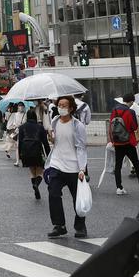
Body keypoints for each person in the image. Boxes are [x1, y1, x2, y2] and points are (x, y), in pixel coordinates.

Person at [46, 96, 89, 239]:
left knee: (78, 198)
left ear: (71, 108)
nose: (61, 107)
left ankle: (80, 226)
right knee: (53, 193)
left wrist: (82, 168)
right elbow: (55, 142)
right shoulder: (55, 121)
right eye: (59, 105)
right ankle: (59, 225)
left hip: (74, 167)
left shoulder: (78, 126)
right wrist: (51, 138)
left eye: (64, 105)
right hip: (56, 164)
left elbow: (82, 148)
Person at [110, 94, 139, 195]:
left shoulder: (114, 110)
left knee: (118, 165)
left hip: (117, 142)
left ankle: (119, 188)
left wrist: (112, 140)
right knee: (136, 163)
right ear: (132, 101)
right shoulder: (130, 111)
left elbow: (111, 126)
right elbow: (134, 127)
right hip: (128, 142)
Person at [18, 110, 50, 200]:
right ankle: (36, 184)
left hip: (26, 151)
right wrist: (49, 154)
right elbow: (45, 143)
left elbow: (20, 142)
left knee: (32, 171)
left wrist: (20, 154)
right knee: (40, 171)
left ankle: (34, 186)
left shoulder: (22, 127)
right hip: (37, 151)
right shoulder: (40, 127)